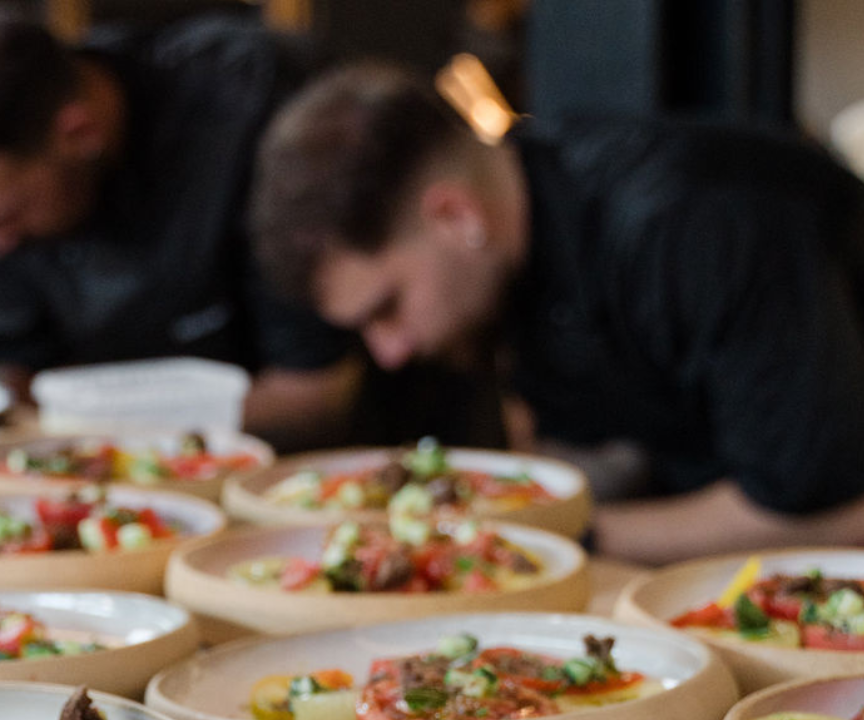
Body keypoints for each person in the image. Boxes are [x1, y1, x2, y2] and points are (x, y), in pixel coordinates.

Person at [251, 62, 864, 564]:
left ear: (456, 218)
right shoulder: (513, 245)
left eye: (387, 309)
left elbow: (819, 514)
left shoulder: (695, 228)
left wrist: (551, 540)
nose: (389, 352)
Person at [0, 3, 362, 450]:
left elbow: (318, 393)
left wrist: (117, 433)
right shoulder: (4, 200)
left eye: (9, 217)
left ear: (79, 132)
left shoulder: (255, 114)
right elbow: (18, 369)